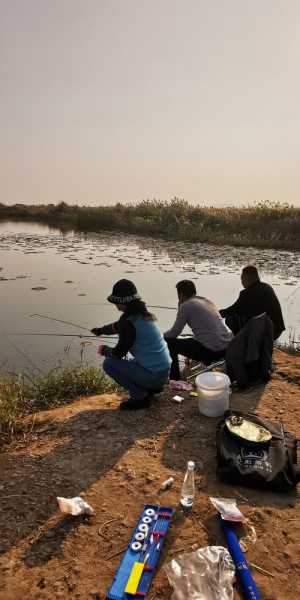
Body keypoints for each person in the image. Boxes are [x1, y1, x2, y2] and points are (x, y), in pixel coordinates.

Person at [91, 279, 171, 410]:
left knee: (109, 364)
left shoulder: (127, 322)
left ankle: (140, 397)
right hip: (163, 373)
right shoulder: (142, 314)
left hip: (154, 376)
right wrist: (101, 330)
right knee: (132, 361)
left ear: (121, 302)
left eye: (116, 301)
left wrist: (105, 350)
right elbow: (117, 326)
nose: (115, 304)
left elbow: (118, 353)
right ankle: (149, 388)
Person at [164, 280, 232, 380]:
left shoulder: (186, 306)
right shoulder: (206, 300)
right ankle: (205, 366)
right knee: (195, 338)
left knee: (170, 342)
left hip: (212, 352)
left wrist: (163, 335)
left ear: (180, 294)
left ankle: (174, 378)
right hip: (225, 348)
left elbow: (174, 333)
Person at [220, 265, 285, 340]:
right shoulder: (267, 287)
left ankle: (241, 344)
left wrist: (214, 313)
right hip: (277, 330)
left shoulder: (246, 293)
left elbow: (232, 310)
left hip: (268, 332)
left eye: (242, 278)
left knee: (231, 319)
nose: (241, 281)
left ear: (246, 278)